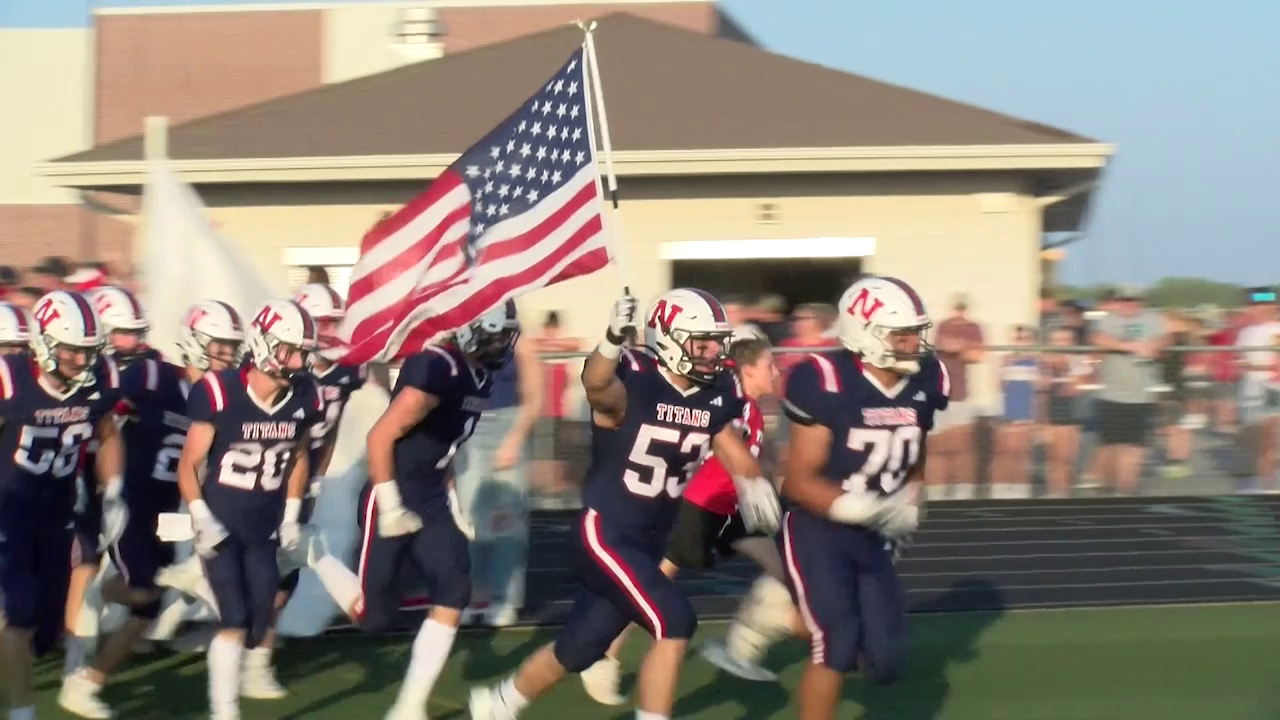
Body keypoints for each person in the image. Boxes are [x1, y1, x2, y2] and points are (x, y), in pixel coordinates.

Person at [468, 288, 779, 720]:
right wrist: (612, 338)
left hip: (650, 538)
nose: (712, 353)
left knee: (580, 645)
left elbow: (723, 436)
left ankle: (500, 702)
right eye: (701, 342)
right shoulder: (635, 378)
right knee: (675, 621)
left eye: (715, 342)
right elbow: (596, 384)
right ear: (669, 339)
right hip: (606, 532)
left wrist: (751, 481)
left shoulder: (716, 391)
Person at [59, 293, 239, 719]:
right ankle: (98, 600)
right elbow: (99, 408)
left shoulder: (226, 392)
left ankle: (88, 681)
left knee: (150, 604)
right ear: (195, 341)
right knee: (145, 590)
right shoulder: (155, 375)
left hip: (173, 508)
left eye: (233, 346)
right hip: (131, 501)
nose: (229, 355)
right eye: (221, 345)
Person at [579, 335, 785, 703]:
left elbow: (750, 459)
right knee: (653, 582)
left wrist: (761, 487)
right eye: (770, 364)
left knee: (784, 566)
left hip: (727, 509)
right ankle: (603, 653)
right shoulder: (726, 403)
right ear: (749, 368)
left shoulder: (749, 410)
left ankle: (741, 648)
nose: (777, 370)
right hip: (697, 505)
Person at [778, 276, 948, 720]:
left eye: (916, 333)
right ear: (863, 334)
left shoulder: (928, 377)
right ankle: (795, 619)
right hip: (819, 526)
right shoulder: (825, 379)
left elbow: (915, 444)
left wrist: (913, 492)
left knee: (885, 662)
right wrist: (862, 507)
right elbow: (798, 481)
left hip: (874, 532)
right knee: (835, 641)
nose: (913, 344)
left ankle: (793, 616)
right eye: (901, 334)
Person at [357, 304, 518, 720]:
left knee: (454, 589)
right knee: (374, 619)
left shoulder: (478, 375)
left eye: (504, 336)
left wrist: (453, 502)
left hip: (429, 493)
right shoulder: (438, 366)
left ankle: (409, 707)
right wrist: (391, 504)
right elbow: (380, 438)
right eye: (492, 336)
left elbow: (443, 450)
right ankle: (315, 557)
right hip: (389, 488)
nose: (500, 345)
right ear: (466, 333)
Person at [175, 299, 325, 720]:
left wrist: (294, 513)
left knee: (261, 620)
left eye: (303, 352)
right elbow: (188, 465)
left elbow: (297, 456)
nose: (298, 360)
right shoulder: (219, 390)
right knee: (235, 618)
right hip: (221, 523)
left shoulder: (305, 395)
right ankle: (224, 711)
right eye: (289, 350)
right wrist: (201, 518)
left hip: (264, 525)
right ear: (263, 344)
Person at [0, 290, 129, 720]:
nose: (82, 360)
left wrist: (112, 492)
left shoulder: (100, 380)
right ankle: (22, 713)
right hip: (10, 510)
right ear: (43, 341)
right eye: (73, 349)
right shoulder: (10, 377)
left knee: (47, 629)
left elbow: (108, 434)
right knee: (17, 616)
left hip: (57, 512)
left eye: (89, 350)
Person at [240, 284, 368, 700]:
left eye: (334, 321)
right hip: (256, 478)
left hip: (299, 478)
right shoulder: (277, 368)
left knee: (284, 574)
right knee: (242, 566)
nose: (332, 330)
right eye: (325, 321)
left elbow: (327, 433)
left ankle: (258, 658)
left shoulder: (348, 371)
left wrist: (315, 476)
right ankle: (229, 632)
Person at [457, 300, 542, 628]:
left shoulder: (521, 343)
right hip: (472, 429)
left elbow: (535, 399)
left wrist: (514, 440)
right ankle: (474, 597)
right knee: (469, 519)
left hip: (510, 426)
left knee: (507, 523)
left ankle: (505, 599)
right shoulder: (467, 337)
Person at [1090, 285, 1167, 494]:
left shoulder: (1152, 318)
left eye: (1134, 300)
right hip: (1112, 394)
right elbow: (1098, 339)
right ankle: (1106, 486)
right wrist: (1130, 346)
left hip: (1141, 395)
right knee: (1111, 446)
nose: (1129, 304)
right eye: (1124, 300)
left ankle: (1126, 492)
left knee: (1134, 448)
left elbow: (1165, 338)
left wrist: (1155, 344)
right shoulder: (1109, 320)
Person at [929, 294, 985, 498]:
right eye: (957, 308)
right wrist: (961, 347)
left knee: (962, 446)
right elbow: (941, 345)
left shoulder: (974, 327)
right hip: (939, 393)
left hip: (961, 394)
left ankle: (963, 492)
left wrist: (957, 347)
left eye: (963, 308)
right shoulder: (943, 325)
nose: (960, 312)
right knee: (937, 446)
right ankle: (937, 491)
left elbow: (977, 355)